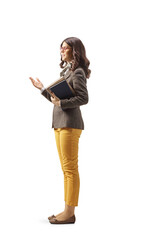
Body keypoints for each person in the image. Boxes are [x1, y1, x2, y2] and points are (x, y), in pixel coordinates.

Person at [29, 37, 91, 224]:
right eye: (61, 47)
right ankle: (66, 210)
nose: (62, 50)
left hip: (70, 124)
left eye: (66, 48)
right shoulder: (68, 71)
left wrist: (62, 102)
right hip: (60, 124)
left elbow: (83, 98)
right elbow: (57, 100)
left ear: (75, 51)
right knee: (66, 170)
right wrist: (42, 89)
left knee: (70, 169)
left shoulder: (78, 72)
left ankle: (69, 213)